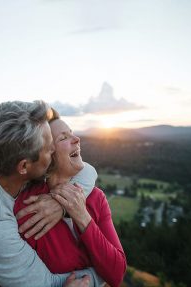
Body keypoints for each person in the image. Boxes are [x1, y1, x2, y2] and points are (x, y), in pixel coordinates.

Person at [0, 100, 103, 287]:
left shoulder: (5, 157)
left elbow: (86, 170)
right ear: (24, 166)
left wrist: (60, 204)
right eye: (48, 147)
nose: (53, 150)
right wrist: (102, 273)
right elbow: (46, 284)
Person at [14, 112, 127, 287]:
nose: (76, 139)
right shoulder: (30, 207)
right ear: (46, 156)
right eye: (63, 138)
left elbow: (117, 273)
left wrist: (82, 216)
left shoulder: (96, 198)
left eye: (72, 132)